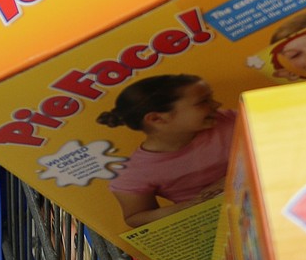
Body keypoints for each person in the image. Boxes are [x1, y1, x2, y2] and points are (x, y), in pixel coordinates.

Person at [96, 75, 234, 228]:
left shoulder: (226, 120)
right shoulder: (135, 172)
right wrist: (194, 204)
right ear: (156, 119)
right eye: (203, 102)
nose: (216, 104)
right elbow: (135, 217)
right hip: (215, 222)